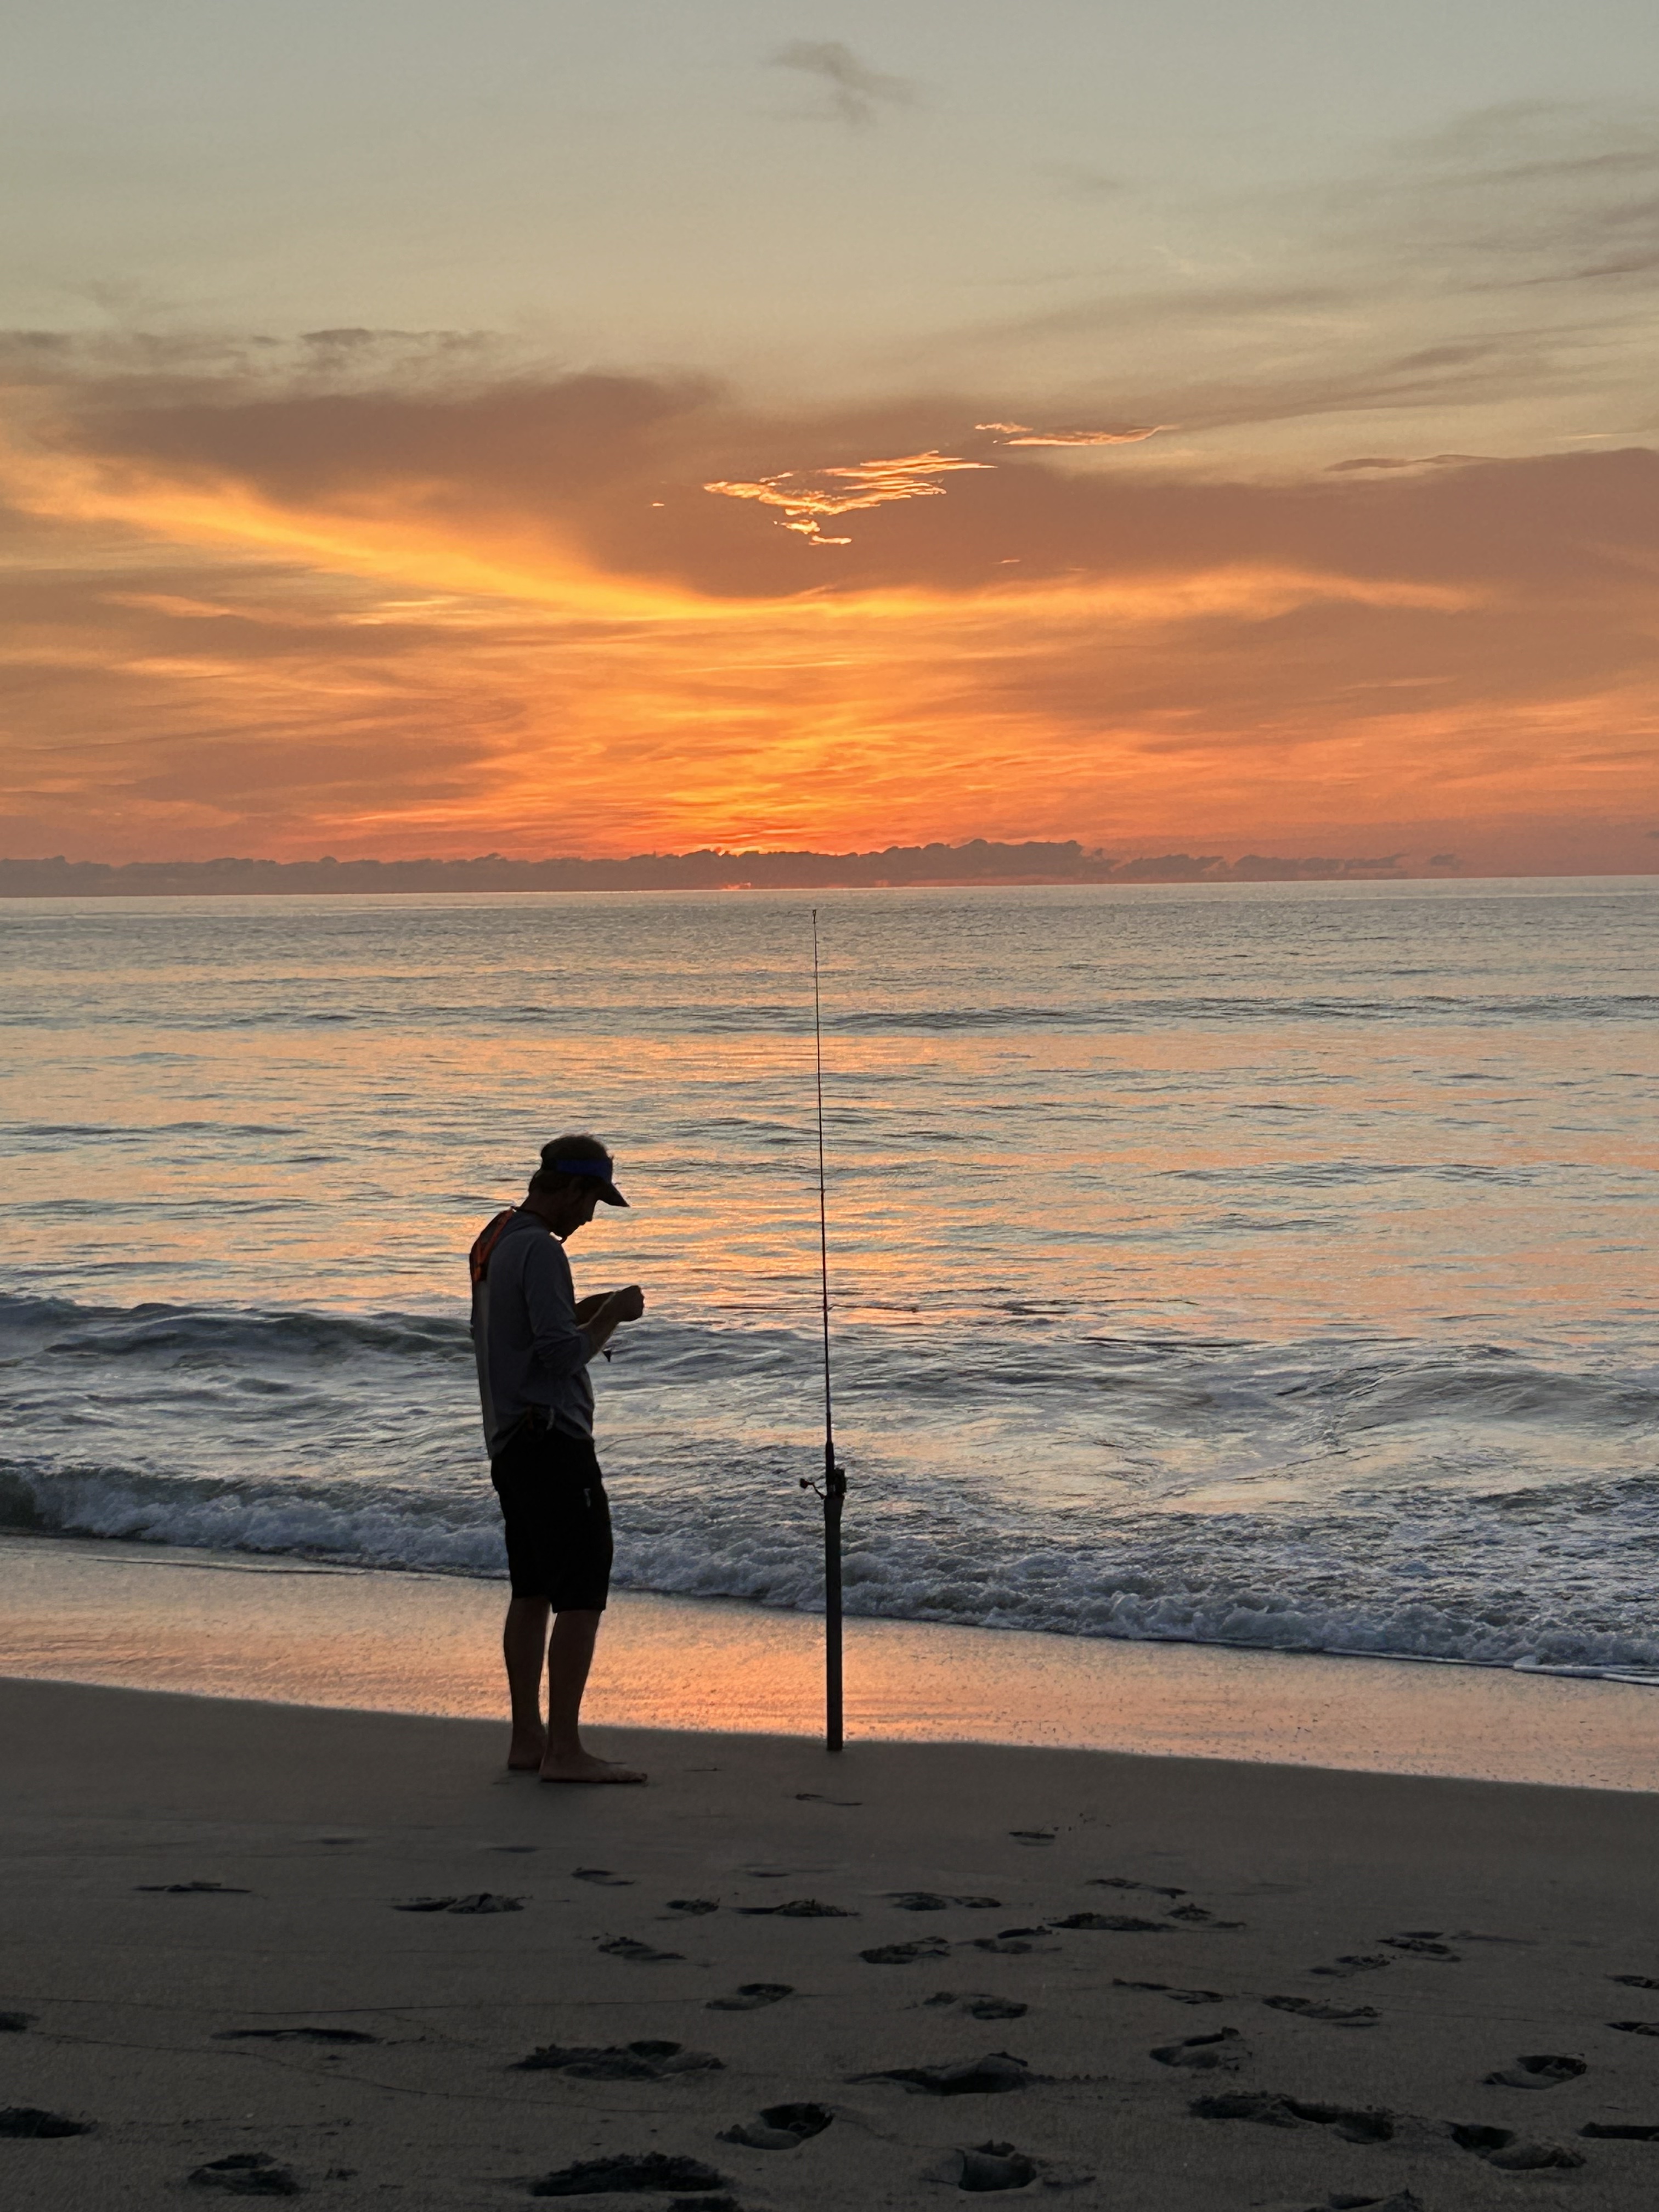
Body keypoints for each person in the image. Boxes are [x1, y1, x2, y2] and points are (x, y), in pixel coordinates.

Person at [469, 1133, 646, 1784]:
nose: (592, 1217)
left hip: (509, 1441)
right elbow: (560, 1355)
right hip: (552, 1442)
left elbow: (522, 1331)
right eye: (593, 1200)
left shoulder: (495, 1238)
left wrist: (594, 1307)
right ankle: (565, 1751)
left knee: (531, 1589)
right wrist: (617, 1317)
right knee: (581, 1591)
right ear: (571, 1188)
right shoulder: (542, 1250)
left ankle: (528, 1738)